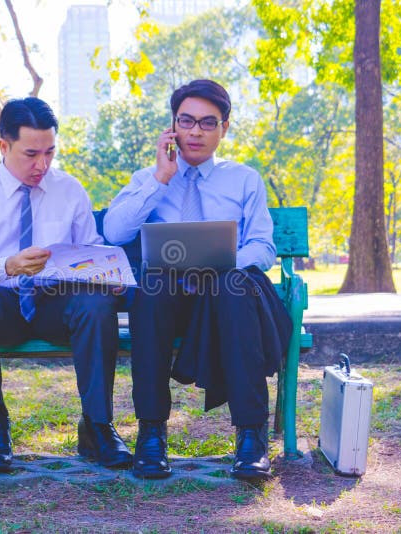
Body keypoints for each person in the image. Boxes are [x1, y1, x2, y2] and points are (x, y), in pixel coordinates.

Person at [103, 79, 292, 480]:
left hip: (227, 298)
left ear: (224, 127)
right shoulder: (148, 177)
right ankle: (151, 433)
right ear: (172, 125)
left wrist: (223, 266)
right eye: (186, 121)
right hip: (167, 299)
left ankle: (251, 437)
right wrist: (161, 178)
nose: (195, 132)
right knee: (150, 289)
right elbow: (114, 233)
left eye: (207, 123)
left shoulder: (243, 179)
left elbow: (263, 246)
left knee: (234, 285)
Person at [0, 97, 132, 473]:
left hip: (56, 303)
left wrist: (106, 275)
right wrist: (9, 266)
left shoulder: (69, 189)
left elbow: (91, 249)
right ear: (3, 146)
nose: (42, 165)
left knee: (96, 304)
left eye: (50, 152)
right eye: (31, 153)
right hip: (1, 306)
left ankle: (97, 425)